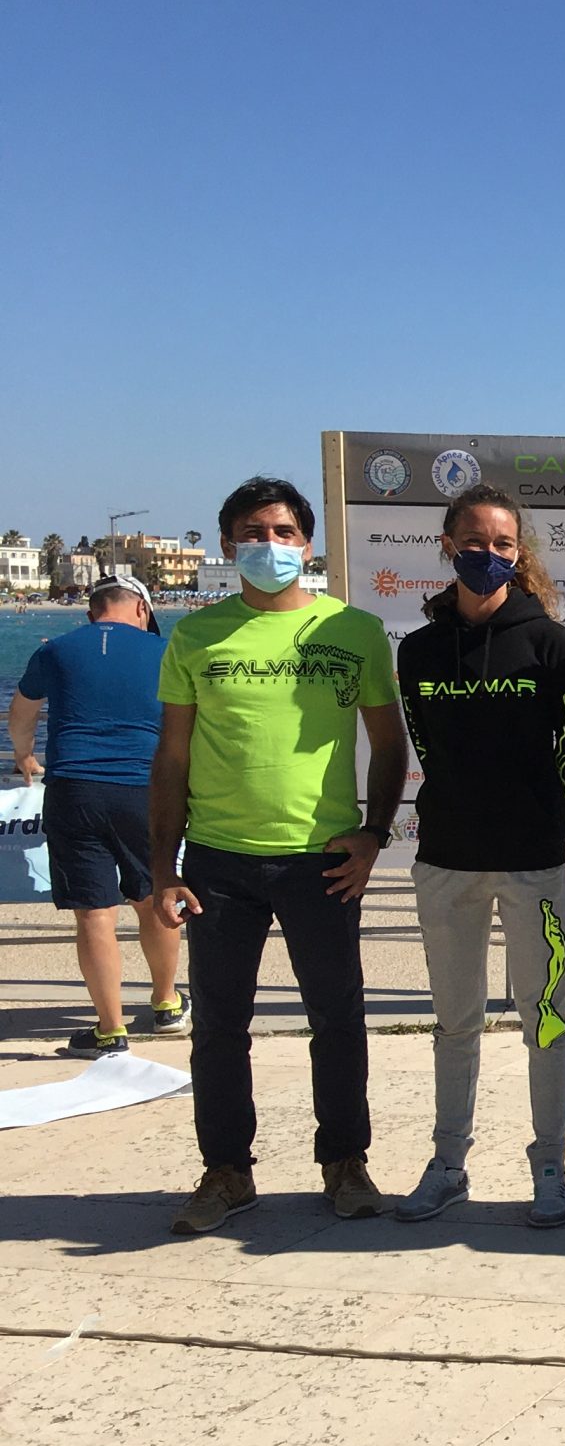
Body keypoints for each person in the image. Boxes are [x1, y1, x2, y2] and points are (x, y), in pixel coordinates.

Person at [154, 476, 406, 1233]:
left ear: (308, 544)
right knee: (218, 1027)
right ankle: (227, 1171)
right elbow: (172, 757)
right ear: (228, 545)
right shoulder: (195, 636)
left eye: (285, 533)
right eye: (254, 534)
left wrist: (374, 833)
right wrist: (163, 868)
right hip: (217, 862)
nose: (270, 546)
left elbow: (389, 743)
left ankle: (346, 1162)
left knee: (338, 1019)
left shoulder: (355, 630)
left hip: (320, 860)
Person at [391, 488, 565, 1227]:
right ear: (448, 545)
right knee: (455, 1023)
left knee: (546, 1020)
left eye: (503, 544)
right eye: (474, 542)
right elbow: (425, 743)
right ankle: (449, 1164)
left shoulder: (550, 644)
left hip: (532, 864)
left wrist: (545, 829)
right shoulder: (419, 650)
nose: (488, 554)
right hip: (446, 861)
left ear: (520, 553)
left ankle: (550, 1164)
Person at [9, 574, 186, 1054]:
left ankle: (110, 1029)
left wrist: (24, 756)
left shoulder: (55, 650)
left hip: (75, 787)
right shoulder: (166, 651)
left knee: (93, 912)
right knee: (154, 897)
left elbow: (22, 714)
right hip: (145, 788)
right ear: (142, 610)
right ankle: (166, 1004)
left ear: (92, 613)